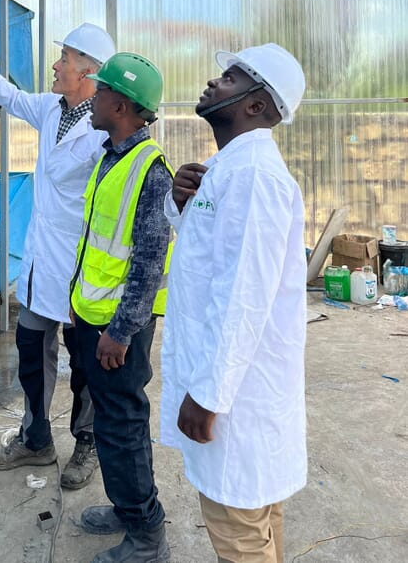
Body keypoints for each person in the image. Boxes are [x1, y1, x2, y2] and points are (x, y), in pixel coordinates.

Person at [0, 23, 115, 490]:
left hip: (83, 263)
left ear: (89, 71)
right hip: (42, 259)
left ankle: (87, 442)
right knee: (32, 352)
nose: (55, 66)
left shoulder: (105, 127)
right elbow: (11, 96)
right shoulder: (49, 107)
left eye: (64, 59)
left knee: (85, 363)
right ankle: (36, 438)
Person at [160, 43, 307, 563]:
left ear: (255, 104)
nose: (212, 83)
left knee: (240, 533)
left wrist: (209, 394)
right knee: (257, 520)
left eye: (229, 78)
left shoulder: (253, 177)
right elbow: (206, 257)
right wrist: (179, 205)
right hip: (234, 392)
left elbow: (244, 295)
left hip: (236, 401)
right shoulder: (227, 168)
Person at [69, 52, 174, 563]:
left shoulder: (151, 171)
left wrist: (121, 329)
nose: (93, 95)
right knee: (111, 420)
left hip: (118, 329)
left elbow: (150, 262)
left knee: (123, 422)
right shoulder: (112, 155)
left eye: (101, 89)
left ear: (123, 104)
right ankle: (126, 506)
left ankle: (146, 531)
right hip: (93, 317)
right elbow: (97, 243)